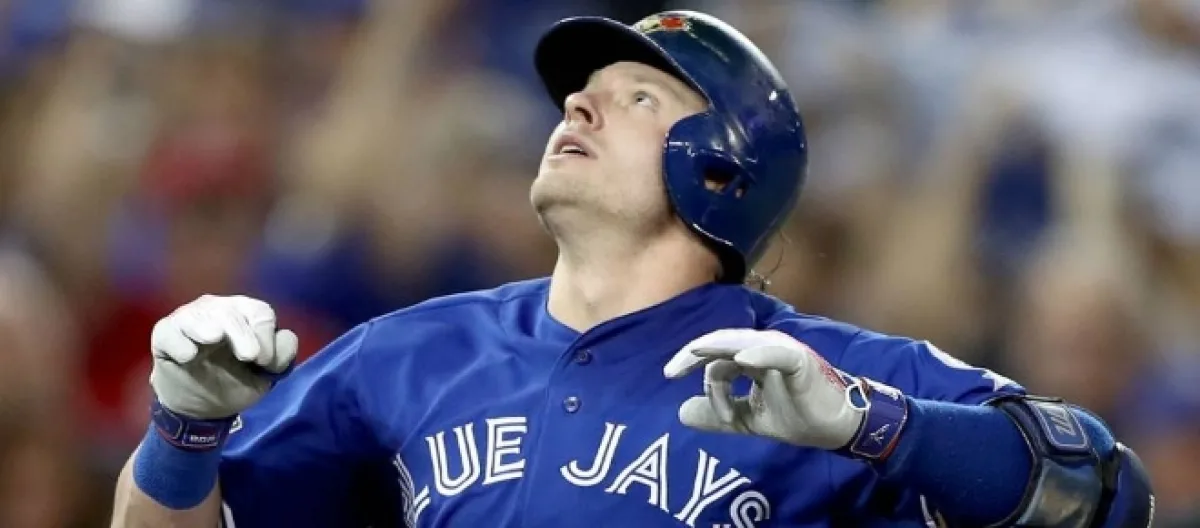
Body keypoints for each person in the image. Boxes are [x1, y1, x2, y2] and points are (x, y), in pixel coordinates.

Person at [110, 10, 1153, 528]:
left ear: (723, 170)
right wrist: (184, 429)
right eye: (582, 94)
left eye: (637, 97)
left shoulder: (817, 376)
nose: (577, 105)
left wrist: (872, 426)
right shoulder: (412, 351)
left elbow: (1106, 494)